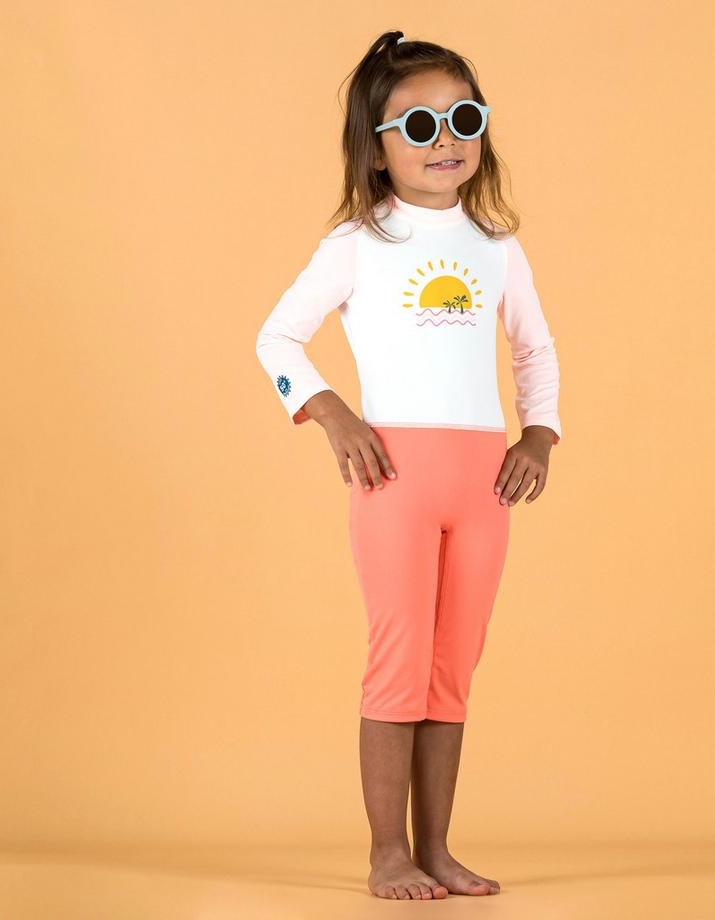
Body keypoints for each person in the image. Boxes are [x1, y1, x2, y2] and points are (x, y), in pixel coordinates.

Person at [255, 30, 561, 901]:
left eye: (463, 118)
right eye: (418, 125)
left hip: (483, 482)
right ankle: (387, 852)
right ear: (376, 149)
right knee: (399, 663)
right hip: (393, 478)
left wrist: (539, 433)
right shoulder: (359, 241)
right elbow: (276, 337)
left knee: (452, 668)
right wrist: (332, 413)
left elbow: (534, 349)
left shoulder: (497, 246)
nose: (444, 139)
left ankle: (438, 848)